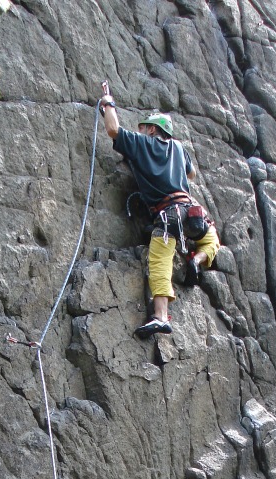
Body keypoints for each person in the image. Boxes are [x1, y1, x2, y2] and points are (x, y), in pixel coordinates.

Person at [99, 87, 221, 338]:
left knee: (159, 261)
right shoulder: (179, 148)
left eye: (144, 128)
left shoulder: (145, 144)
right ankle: (196, 260)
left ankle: (161, 316)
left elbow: (113, 130)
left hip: (168, 215)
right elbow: (191, 174)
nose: (141, 131)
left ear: (153, 130)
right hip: (192, 212)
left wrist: (107, 103)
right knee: (211, 239)